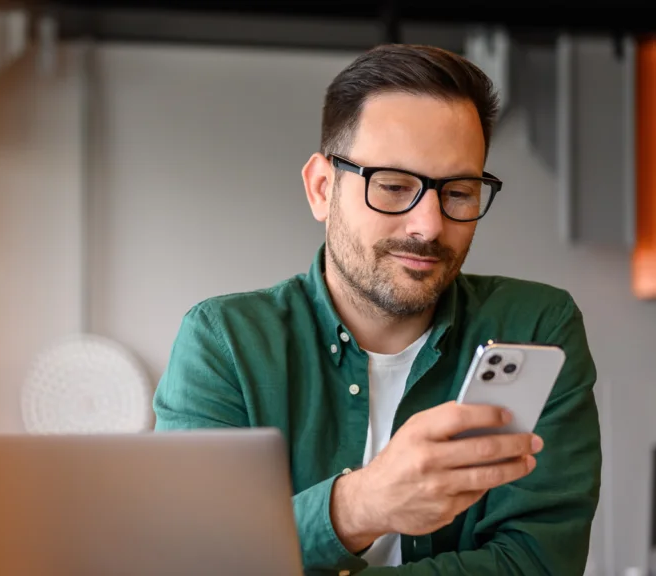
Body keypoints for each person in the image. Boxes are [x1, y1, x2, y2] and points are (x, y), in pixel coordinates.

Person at [152, 43, 601, 575]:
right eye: (392, 186)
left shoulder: (536, 328)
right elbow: (194, 559)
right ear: (322, 188)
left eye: (458, 192)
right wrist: (361, 505)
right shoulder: (224, 343)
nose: (429, 226)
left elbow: (538, 564)